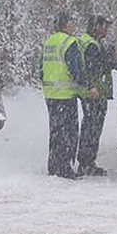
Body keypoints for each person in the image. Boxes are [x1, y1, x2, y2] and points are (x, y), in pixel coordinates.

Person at [75, 15, 117, 177]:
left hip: (91, 91)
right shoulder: (92, 45)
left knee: (90, 127)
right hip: (94, 93)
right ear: (95, 27)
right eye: (104, 26)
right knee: (92, 128)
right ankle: (86, 163)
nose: (107, 29)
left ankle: (86, 162)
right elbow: (99, 66)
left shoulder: (87, 41)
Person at [41, 12, 87, 179]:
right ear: (66, 24)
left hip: (51, 95)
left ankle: (53, 165)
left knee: (55, 131)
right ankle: (65, 167)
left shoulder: (49, 42)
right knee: (69, 133)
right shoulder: (70, 42)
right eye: (72, 22)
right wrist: (87, 87)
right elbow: (76, 70)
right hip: (66, 96)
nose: (74, 25)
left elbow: (41, 69)